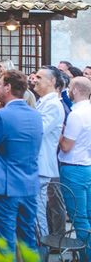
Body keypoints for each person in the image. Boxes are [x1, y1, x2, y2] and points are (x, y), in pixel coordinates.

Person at [0, 70, 43, 257]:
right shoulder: (36, 115)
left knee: (5, 244)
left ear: (8, 87)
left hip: (5, 188)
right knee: (28, 242)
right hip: (29, 186)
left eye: (0, 84)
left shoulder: (1, 116)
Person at [58, 76, 91, 261]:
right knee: (87, 216)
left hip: (73, 168)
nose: (68, 91)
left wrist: (59, 131)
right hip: (86, 165)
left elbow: (66, 146)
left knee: (78, 217)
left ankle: (86, 256)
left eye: (70, 87)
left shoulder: (76, 114)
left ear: (76, 90)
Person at [33, 65, 66, 238]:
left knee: (38, 215)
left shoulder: (53, 104)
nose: (35, 80)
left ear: (52, 81)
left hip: (41, 164)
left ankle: (41, 253)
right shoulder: (43, 101)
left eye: (39, 77)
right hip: (36, 164)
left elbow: (39, 130)